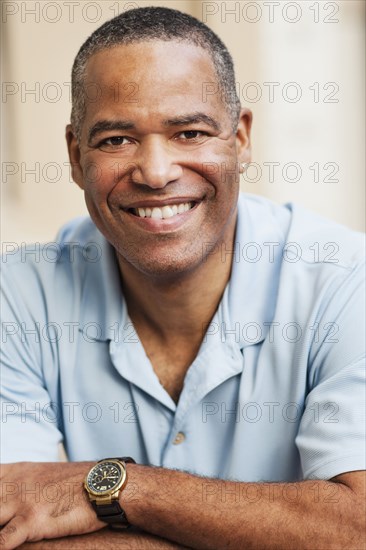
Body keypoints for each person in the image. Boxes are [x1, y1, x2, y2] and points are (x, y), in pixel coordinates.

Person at [0, 6, 365, 549]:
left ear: (240, 139)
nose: (155, 171)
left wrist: (113, 489)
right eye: (116, 140)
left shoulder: (345, 283)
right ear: (76, 156)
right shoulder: (17, 294)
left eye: (189, 132)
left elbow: (356, 527)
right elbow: (14, 519)